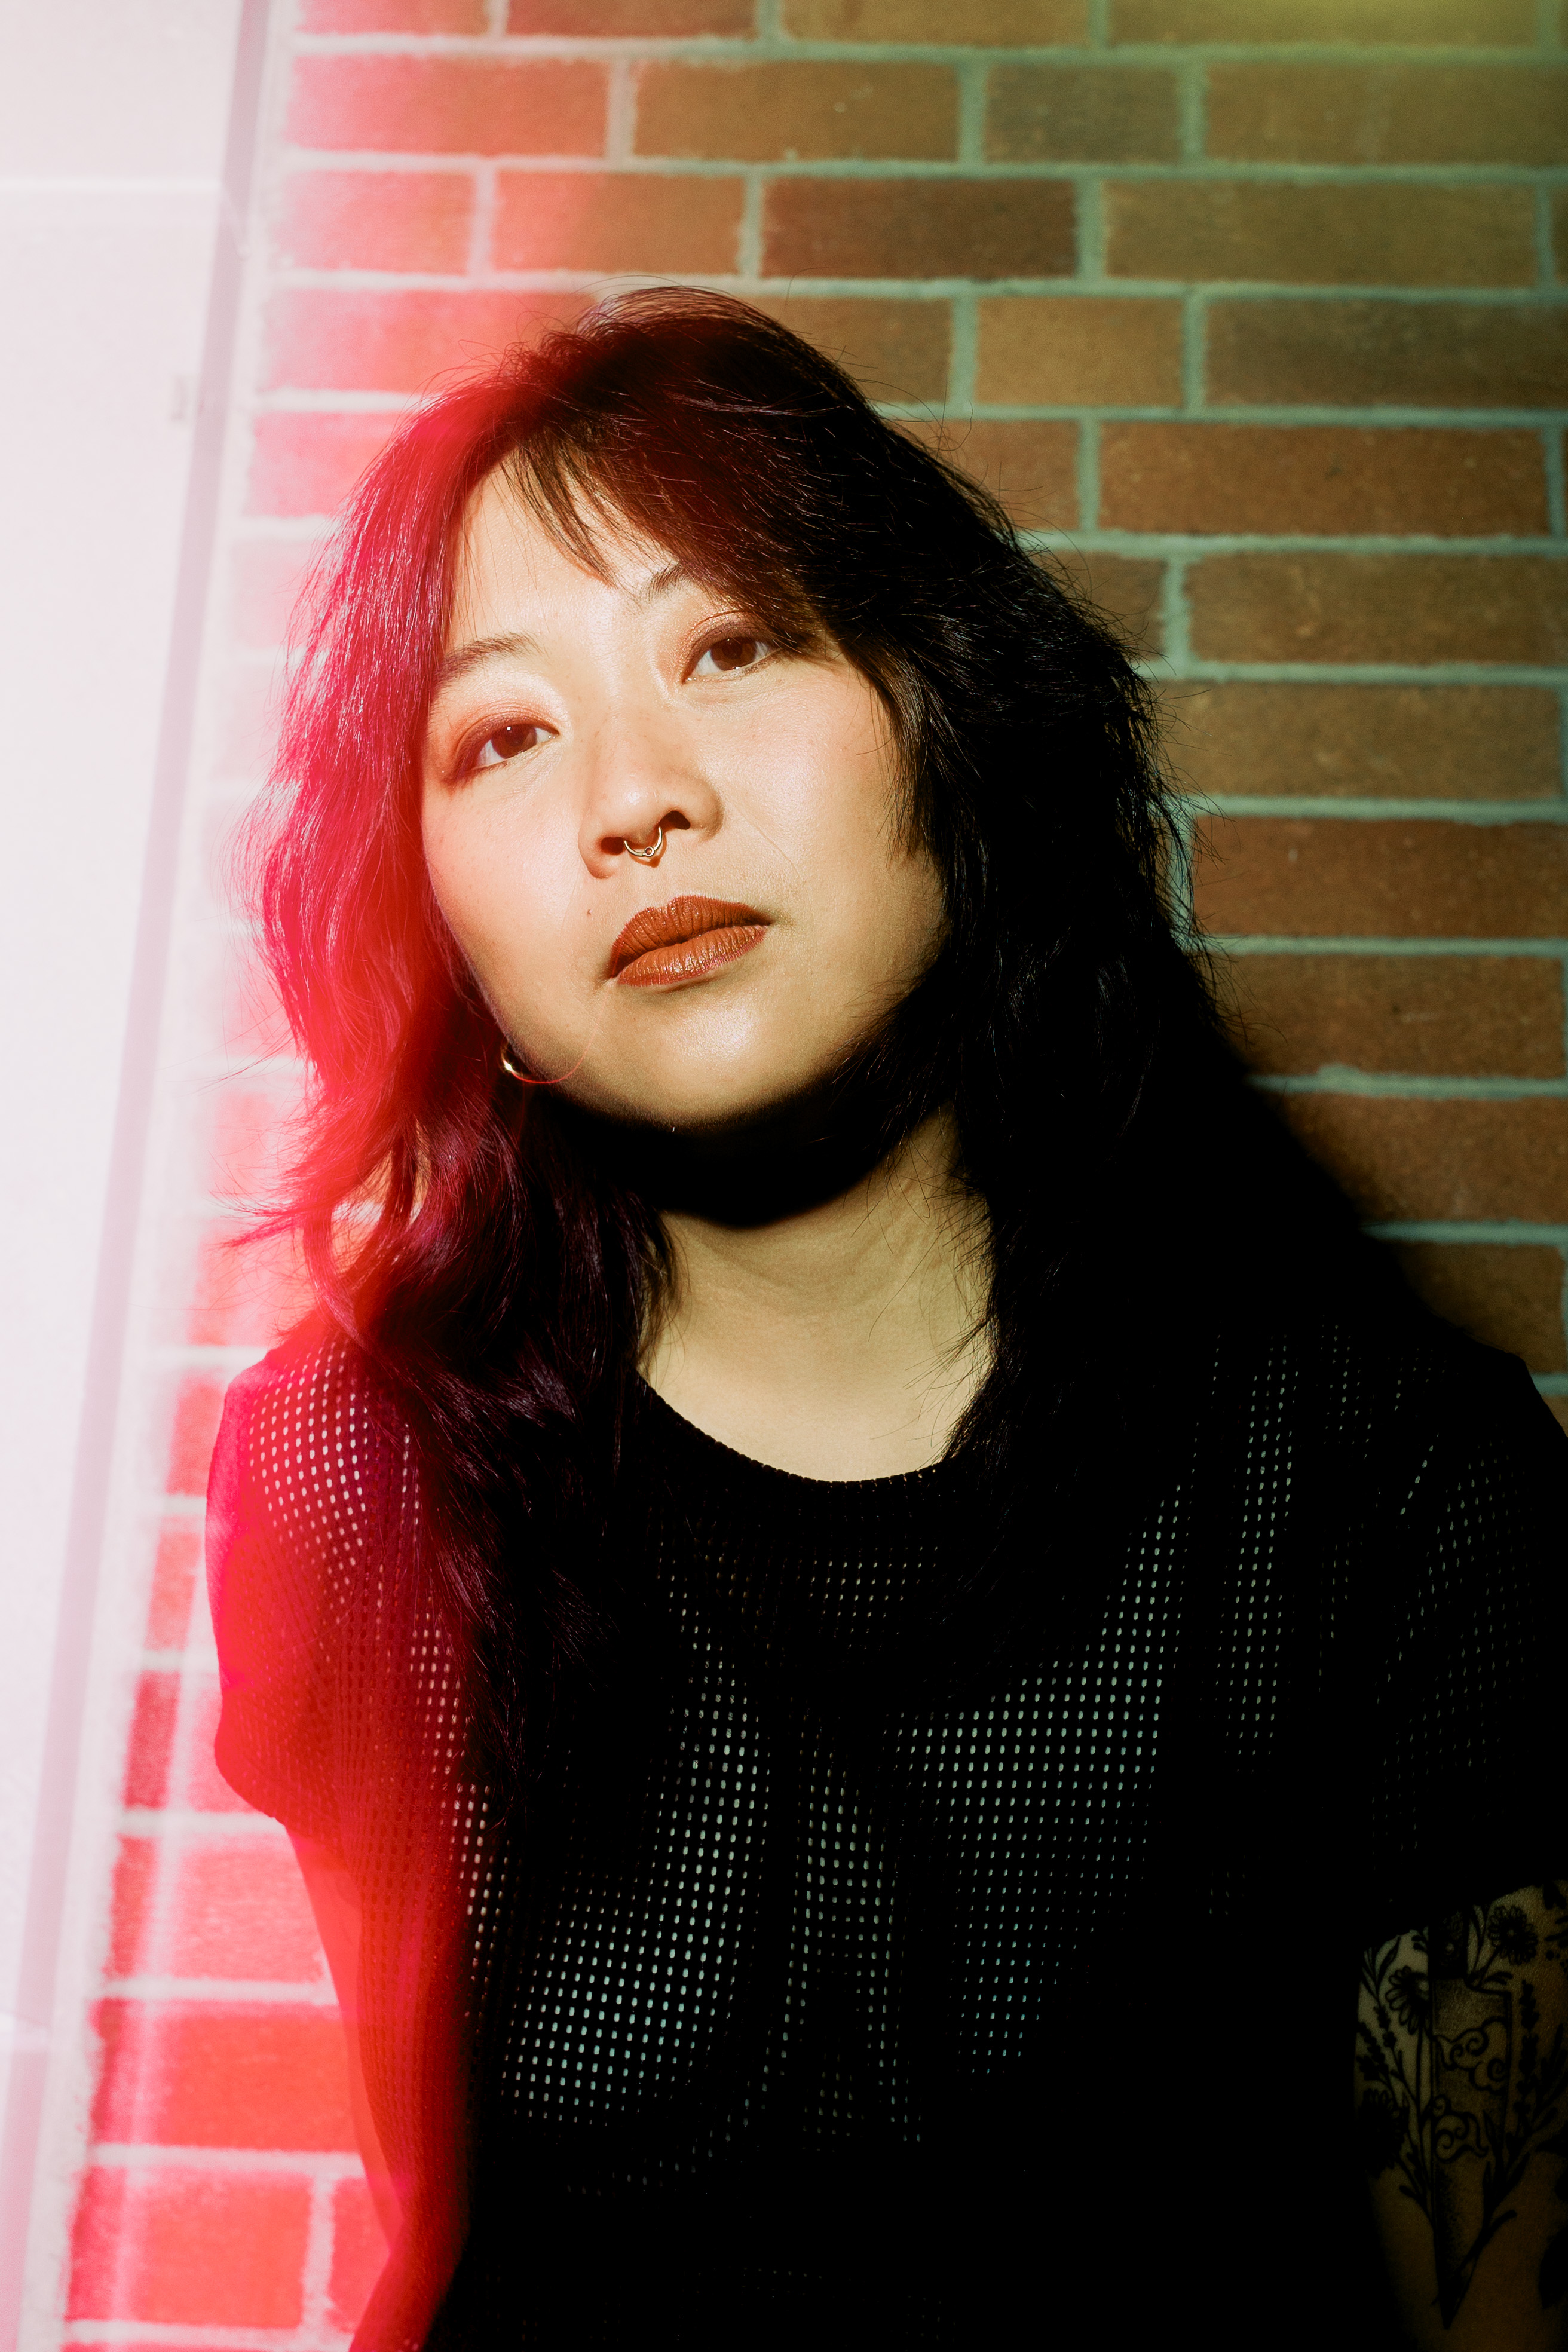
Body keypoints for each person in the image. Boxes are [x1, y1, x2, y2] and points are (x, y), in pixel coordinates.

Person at [206, 289, 1566, 2350]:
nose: (634, 798)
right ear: (447, 938)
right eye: (503, 735)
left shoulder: (1388, 1493)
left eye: (732, 646)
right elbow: (450, 2225)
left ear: (949, 721)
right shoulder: (353, 1474)